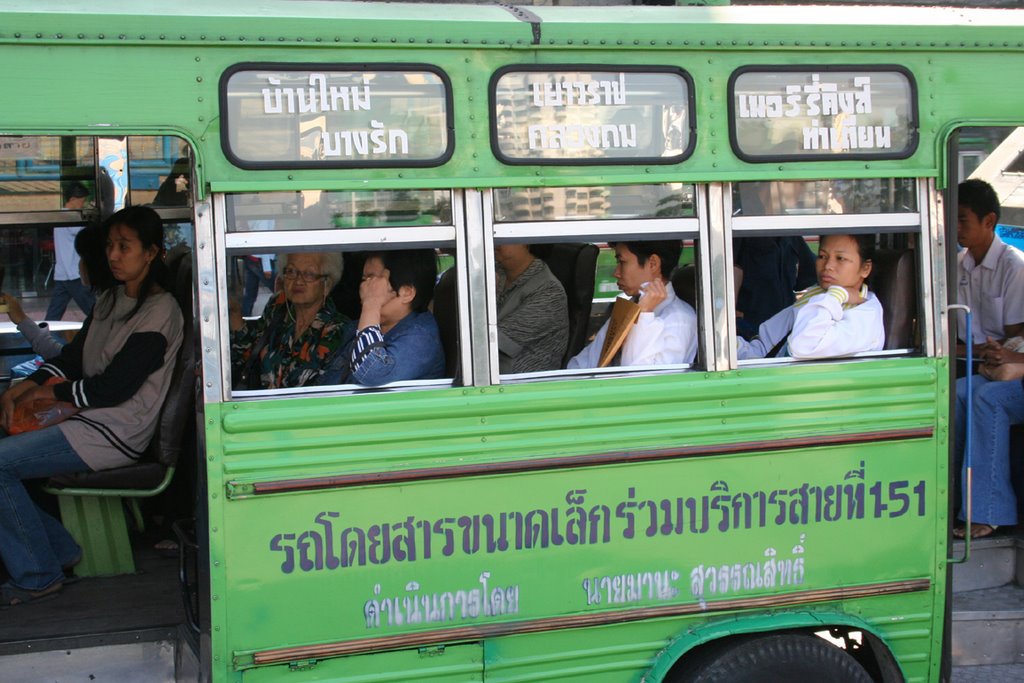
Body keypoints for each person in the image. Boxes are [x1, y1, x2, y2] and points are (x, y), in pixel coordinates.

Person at [0, 205, 183, 607]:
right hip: (88, 418)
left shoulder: (160, 312)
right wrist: (25, 386)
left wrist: (49, 394)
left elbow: (113, 389)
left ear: (151, 252)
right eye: (110, 246)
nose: (113, 256)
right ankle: (60, 550)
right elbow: (72, 358)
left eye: (125, 247)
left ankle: (37, 574)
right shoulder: (110, 299)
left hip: (115, 431)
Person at [737, 233, 884, 360]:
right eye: (822, 256)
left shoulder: (864, 316)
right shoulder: (816, 296)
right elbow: (765, 347)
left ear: (865, 268)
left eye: (840, 258)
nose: (827, 266)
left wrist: (836, 295)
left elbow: (803, 346)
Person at [323, 249, 445, 386]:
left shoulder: (421, 339)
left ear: (407, 293)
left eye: (372, 280)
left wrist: (371, 304)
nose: (365, 288)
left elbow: (372, 372)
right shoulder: (357, 328)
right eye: (364, 280)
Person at [567, 240, 697, 369]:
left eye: (622, 262)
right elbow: (583, 363)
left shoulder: (679, 321)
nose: (616, 273)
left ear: (653, 264)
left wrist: (644, 314)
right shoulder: (630, 307)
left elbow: (639, 380)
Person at [229, 252, 348, 389]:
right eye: (291, 271)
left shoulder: (338, 331)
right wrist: (235, 312)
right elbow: (248, 353)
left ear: (326, 284)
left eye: (309, 274)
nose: (298, 281)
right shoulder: (278, 306)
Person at [955, 179, 1024, 352]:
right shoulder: (957, 264)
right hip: (961, 358)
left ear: (989, 221)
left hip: (998, 362)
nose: (956, 227)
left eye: (963, 220)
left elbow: (1014, 339)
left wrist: (960, 351)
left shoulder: (1014, 267)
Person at [494, 244, 568, 373]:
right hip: (490, 373)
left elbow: (494, 342)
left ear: (525, 243)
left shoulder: (549, 292)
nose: (495, 241)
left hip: (521, 382)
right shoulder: (497, 272)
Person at [733, 236, 818, 340]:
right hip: (752, 327)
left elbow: (812, 270)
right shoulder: (789, 234)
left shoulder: (791, 235)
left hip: (779, 324)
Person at [44, 182, 96, 321]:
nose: (83, 204)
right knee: (93, 311)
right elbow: (81, 232)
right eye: (81, 201)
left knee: (54, 314)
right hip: (73, 273)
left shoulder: (61, 215)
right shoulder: (69, 217)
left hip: (62, 273)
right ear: (72, 199)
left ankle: (45, 336)